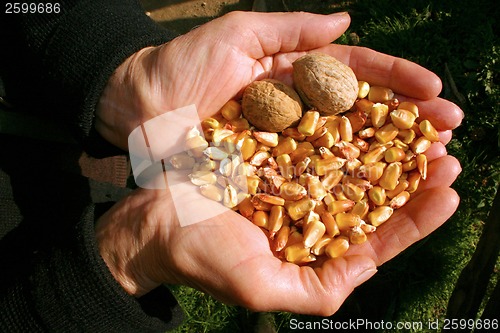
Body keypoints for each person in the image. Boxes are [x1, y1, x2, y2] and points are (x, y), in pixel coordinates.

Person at [0, 0, 463, 332]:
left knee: (159, 169)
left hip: (51, 122)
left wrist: (127, 78)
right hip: (62, 159)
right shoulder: (277, 157)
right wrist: (126, 258)